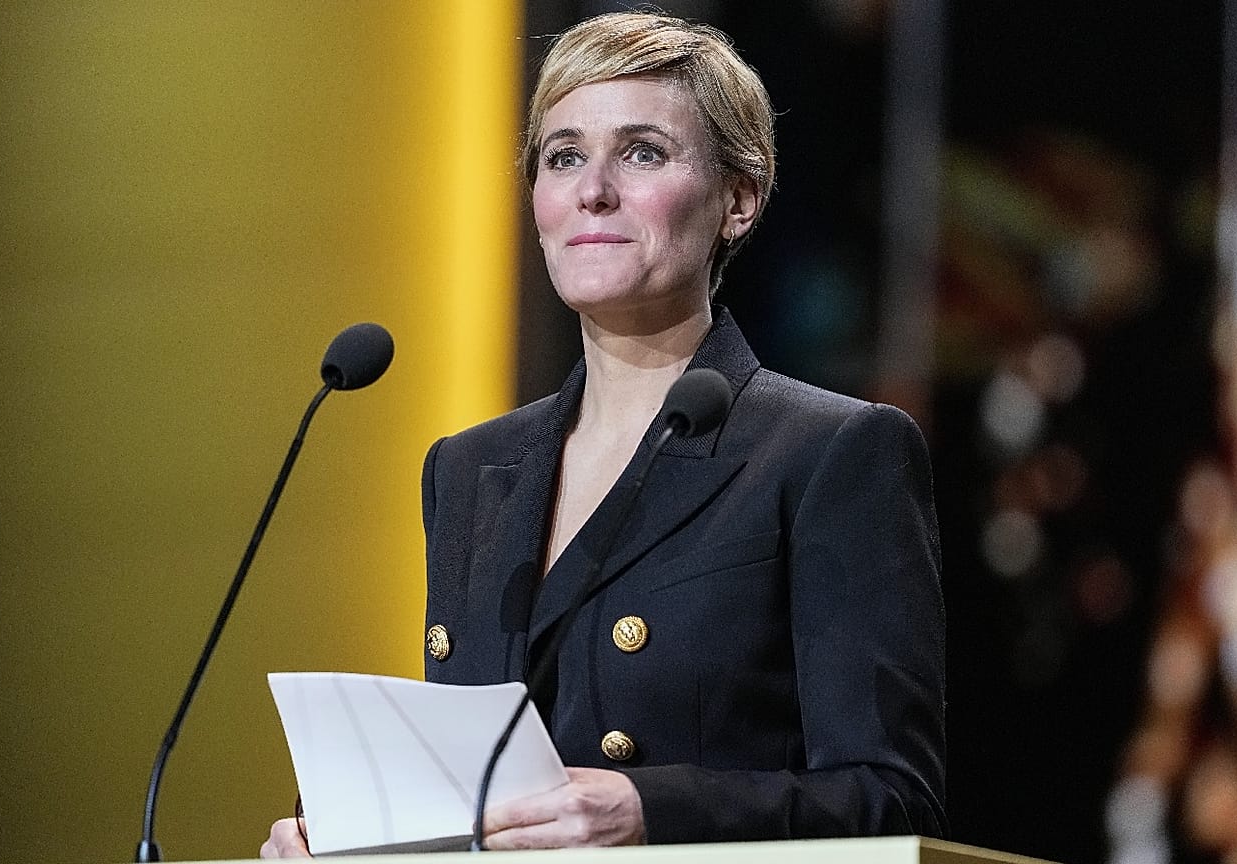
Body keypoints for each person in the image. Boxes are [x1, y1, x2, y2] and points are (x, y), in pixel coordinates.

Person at [262, 11, 945, 856]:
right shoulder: (469, 470)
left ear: (740, 199)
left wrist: (651, 811)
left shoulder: (828, 452)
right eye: (564, 156)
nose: (593, 189)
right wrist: (358, 839)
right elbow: (484, 791)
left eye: (643, 152)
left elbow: (893, 801)